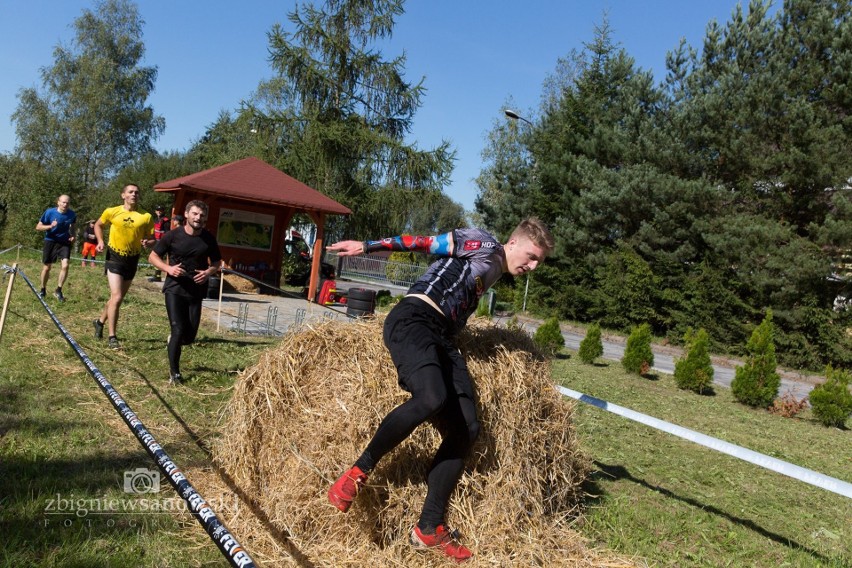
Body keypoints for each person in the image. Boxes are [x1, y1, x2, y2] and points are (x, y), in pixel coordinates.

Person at [325, 218, 555, 562]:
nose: (532, 267)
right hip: (414, 319)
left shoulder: (491, 272)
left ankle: (429, 527)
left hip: (442, 337)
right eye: (532, 256)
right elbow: (423, 242)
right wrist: (367, 246)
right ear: (513, 242)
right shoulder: (484, 245)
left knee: (467, 427)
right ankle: (357, 473)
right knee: (432, 398)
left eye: (539, 262)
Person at [148, 200, 222, 384]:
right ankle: (175, 373)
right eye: (195, 214)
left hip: (196, 289)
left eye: (202, 215)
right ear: (187, 215)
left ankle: (174, 341)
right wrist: (168, 269)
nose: (198, 218)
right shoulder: (173, 236)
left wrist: (207, 273)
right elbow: (152, 256)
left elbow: (216, 263)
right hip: (174, 287)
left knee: (189, 337)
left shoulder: (208, 238)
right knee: (178, 328)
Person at [92, 184, 156, 350]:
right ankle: (112, 337)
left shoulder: (146, 216)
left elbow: (152, 239)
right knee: (117, 296)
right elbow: (98, 225)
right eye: (131, 192)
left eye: (137, 192)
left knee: (116, 300)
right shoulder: (111, 211)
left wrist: (148, 243)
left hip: (132, 258)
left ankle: (99, 322)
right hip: (114, 256)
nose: (134, 194)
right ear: (123, 195)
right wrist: (100, 241)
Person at [35, 194, 77, 301]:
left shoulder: (72, 214)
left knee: (65, 265)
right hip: (51, 241)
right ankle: (43, 289)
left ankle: (58, 290)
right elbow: (38, 227)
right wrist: (50, 226)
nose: (65, 204)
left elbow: (73, 226)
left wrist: (73, 236)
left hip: (64, 242)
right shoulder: (49, 212)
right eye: (63, 202)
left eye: (67, 203)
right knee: (47, 268)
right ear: (58, 202)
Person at [148, 204, 171, 282]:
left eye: (161, 210)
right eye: (158, 210)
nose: (159, 211)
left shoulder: (165, 221)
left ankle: (158, 276)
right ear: (155, 211)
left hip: (162, 242)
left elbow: (168, 232)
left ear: (163, 211)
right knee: (154, 258)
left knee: (157, 258)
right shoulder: (156, 220)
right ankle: (157, 275)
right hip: (156, 241)